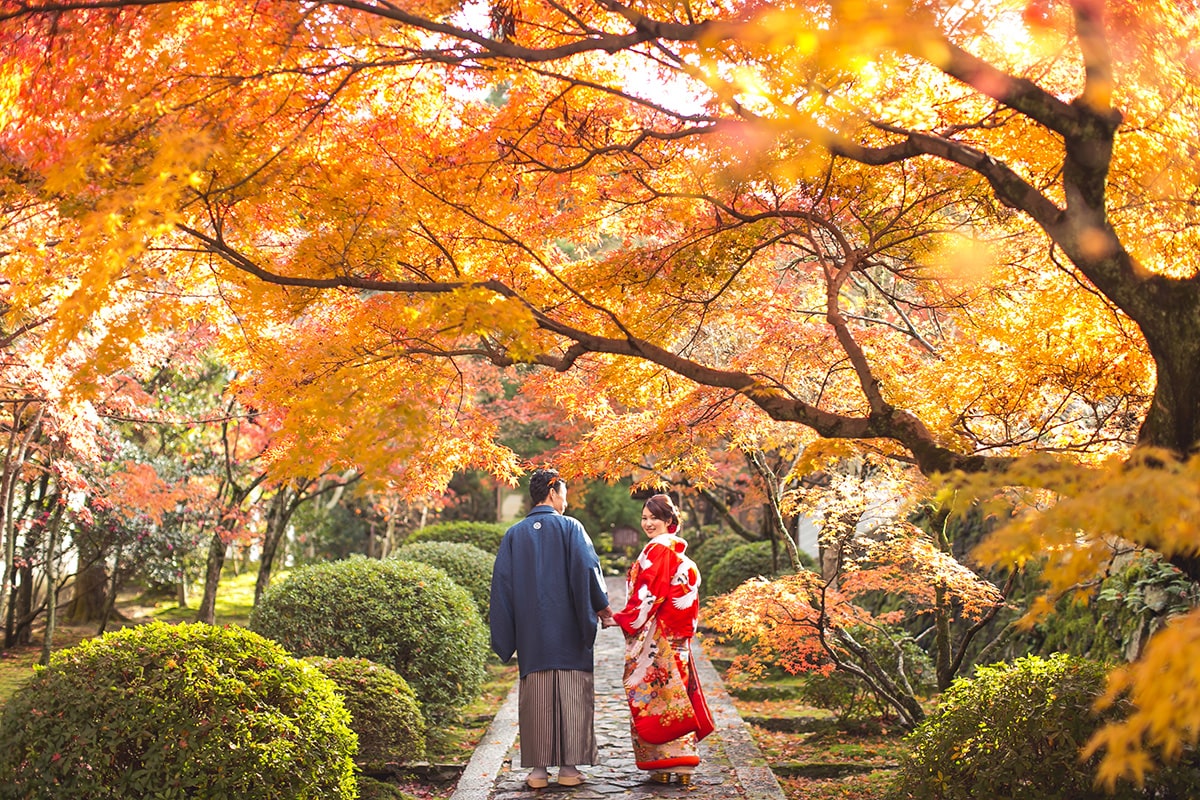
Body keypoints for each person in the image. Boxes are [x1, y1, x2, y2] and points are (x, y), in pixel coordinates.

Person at [490, 467, 616, 790]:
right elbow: (589, 570)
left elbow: (501, 588)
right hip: (569, 631)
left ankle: (537, 772)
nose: (566, 498)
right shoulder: (571, 528)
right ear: (552, 492)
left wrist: (506, 637)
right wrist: (602, 609)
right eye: (564, 491)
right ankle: (569, 769)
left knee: (536, 699)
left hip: (532, 637)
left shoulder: (514, 535)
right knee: (572, 695)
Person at [613, 493, 712, 785]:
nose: (647, 523)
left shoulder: (657, 551)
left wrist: (623, 619)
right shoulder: (682, 556)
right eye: (644, 518)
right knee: (676, 699)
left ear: (669, 520)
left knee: (658, 701)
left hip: (659, 642)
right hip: (678, 642)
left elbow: (649, 596)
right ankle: (682, 765)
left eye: (653, 518)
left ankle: (665, 763)